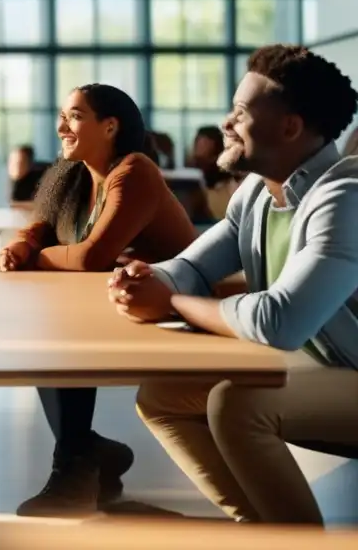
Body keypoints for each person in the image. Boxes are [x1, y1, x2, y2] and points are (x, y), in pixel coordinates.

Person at [110, 45, 358, 526]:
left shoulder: (344, 198)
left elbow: (280, 321)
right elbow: (193, 266)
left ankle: (299, 541)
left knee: (237, 405)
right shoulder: (259, 193)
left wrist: (173, 300)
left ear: (290, 127)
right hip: (328, 370)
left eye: (241, 112)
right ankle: (262, 528)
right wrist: (150, 277)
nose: (226, 122)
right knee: (162, 395)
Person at [0, 84, 198, 517]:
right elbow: (39, 228)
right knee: (50, 324)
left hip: (178, 312)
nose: (62, 126)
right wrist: (20, 249)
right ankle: (83, 455)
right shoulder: (74, 175)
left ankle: (77, 465)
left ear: (111, 126)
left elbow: (90, 257)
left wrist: (33, 259)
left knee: (57, 330)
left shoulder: (134, 171)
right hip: (126, 302)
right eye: (63, 115)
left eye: (75, 116)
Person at [187, 126, 239, 222]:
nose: (203, 167)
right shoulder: (187, 188)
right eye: (199, 160)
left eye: (209, 157)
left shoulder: (233, 189)